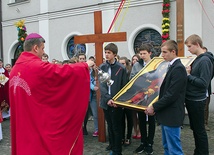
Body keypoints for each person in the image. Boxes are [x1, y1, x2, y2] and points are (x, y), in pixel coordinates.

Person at [9, 33, 95, 155]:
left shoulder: (14, 70)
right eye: (42, 48)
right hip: (36, 128)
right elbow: (61, 72)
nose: (43, 52)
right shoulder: (36, 67)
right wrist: (84, 65)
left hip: (23, 126)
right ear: (35, 48)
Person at [146, 40, 187, 155]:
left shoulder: (178, 68)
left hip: (172, 114)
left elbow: (172, 95)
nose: (162, 55)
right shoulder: (172, 66)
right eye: (161, 52)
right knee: (167, 147)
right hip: (166, 113)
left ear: (173, 52)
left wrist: (154, 106)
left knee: (174, 149)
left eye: (164, 52)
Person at [184, 34, 214, 155]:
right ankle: (198, 151)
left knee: (199, 130)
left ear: (197, 44)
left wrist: (188, 76)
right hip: (192, 98)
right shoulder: (198, 59)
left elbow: (203, 82)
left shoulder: (205, 60)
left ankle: (203, 152)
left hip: (197, 100)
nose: (188, 49)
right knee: (195, 129)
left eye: (190, 46)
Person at [99, 43, 127, 155]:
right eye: (105, 52)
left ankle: (117, 149)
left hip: (116, 103)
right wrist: (107, 99)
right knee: (109, 126)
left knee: (117, 127)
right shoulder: (102, 67)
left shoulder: (121, 68)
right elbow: (102, 85)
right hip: (106, 102)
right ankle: (112, 146)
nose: (106, 54)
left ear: (114, 54)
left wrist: (118, 101)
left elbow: (123, 86)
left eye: (109, 53)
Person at [128, 44, 155, 155]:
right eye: (141, 54)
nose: (142, 56)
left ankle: (150, 143)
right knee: (142, 119)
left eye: (144, 53)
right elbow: (132, 78)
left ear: (150, 53)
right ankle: (143, 141)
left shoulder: (155, 64)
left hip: (152, 95)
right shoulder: (137, 65)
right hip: (140, 95)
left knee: (152, 120)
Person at [118, 57, 133, 146]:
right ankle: (122, 137)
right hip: (120, 99)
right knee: (121, 119)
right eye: (120, 63)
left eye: (123, 64)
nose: (121, 65)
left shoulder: (129, 74)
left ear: (126, 65)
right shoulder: (118, 73)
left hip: (129, 99)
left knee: (129, 119)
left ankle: (128, 137)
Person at [130, 54, 141, 140]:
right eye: (133, 59)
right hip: (134, 92)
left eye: (136, 59)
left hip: (141, 92)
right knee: (133, 114)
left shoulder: (140, 66)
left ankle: (140, 130)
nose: (134, 61)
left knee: (140, 113)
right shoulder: (132, 69)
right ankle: (135, 129)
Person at [202, 46, 213, 131]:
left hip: (206, 87)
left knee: (205, 107)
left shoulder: (208, 62)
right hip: (199, 89)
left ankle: (205, 123)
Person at [0, 59, 10, 141]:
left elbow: (8, 78)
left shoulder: (5, 71)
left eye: (0, 63)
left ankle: (4, 116)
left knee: (5, 101)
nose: (0, 64)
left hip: (4, 88)